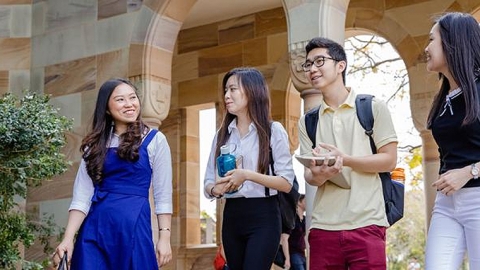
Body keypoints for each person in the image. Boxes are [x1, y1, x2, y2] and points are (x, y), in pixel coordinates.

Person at [297, 37, 398, 269]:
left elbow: (389, 160)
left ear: (340, 65)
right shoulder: (308, 121)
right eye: (308, 64)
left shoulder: (372, 107)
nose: (312, 69)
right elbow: (310, 177)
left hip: (368, 224)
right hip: (323, 228)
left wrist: (346, 160)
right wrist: (321, 173)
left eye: (319, 61)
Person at [52, 78, 173, 269]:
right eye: (120, 100)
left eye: (132, 98)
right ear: (107, 108)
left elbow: (163, 194)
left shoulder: (155, 140)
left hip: (134, 227)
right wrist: (68, 238)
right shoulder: (94, 146)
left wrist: (164, 237)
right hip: (95, 230)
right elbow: (81, 196)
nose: (129, 104)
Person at [203, 67, 295, 270]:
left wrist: (247, 175)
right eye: (225, 90)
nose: (227, 95)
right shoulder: (222, 135)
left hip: (264, 215)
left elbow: (287, 183)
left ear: (253, 91)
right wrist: (215, 190)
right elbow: (208, 182)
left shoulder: (273, 131)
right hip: (232, 215)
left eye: (233, 89)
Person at [424, 12, 480, 270]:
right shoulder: (446, 96)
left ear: (452, 42)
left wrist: (469, 171)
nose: (426, 48)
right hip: (446, 204)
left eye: (432, 40)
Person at [288, 194, 306, 270]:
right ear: (299, 202)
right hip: (294, 253)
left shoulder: (305, 220)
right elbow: (284, 237)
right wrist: (287, 258)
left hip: (302, 253)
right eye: (306, 200)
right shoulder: (292, 218)